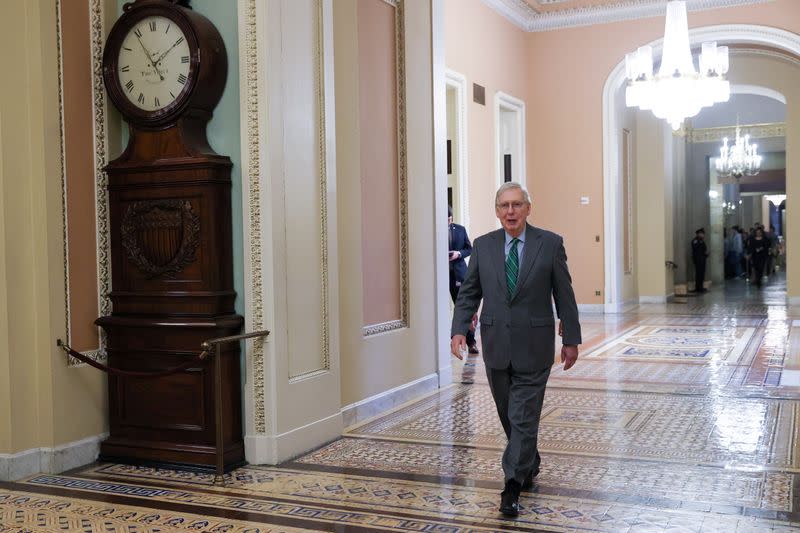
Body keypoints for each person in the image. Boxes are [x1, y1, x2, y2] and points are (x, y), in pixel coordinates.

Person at [450, 182, 581, 517]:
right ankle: (529, 459)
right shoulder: (482, 245)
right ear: (497, 210)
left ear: (528, 208)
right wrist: (458, 330)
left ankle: (511, 486)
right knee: (511, 416)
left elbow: (563, 292)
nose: (510, 211)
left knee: (523, 417)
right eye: (504, 205)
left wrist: (571, 338)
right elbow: (469, 292)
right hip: (496, 345)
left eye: (517, 205)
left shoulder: (549, 244)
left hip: (535, 347)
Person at [448, 206, 478, 354]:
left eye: (449, 220)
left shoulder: (460, 229)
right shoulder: (433, 229)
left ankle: (471, 342)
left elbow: (469, 248)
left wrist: (458, 254)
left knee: (464, 307)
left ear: (452, 219)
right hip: (440, 277)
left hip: (459, 274)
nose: (447, 223)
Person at [691, 228, 709, 293]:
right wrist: (704, 253)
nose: (703, 235)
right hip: (698, 260)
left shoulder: (701, 241)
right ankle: (698, 288)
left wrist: (706, 254)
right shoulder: (695, 241)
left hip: (702, 260)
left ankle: (701, 287)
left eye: (703, 234)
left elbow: (703, 250)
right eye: (702, 234)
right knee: (698, 274)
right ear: (698, 234)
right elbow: (697, 251)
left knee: (702, 274)